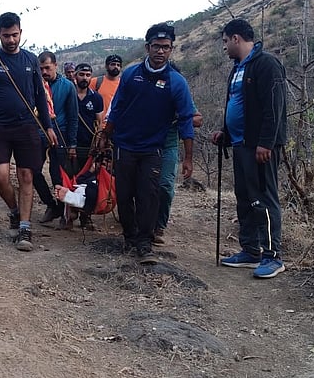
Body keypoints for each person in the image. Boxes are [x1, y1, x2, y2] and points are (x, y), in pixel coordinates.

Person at [102, 23, 196, 264]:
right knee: (124, 195)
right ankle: (129, 237)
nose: (160, 51)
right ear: (147, 47)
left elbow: (186, 119)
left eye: (166, 47)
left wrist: (188, 157)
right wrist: (104, 136)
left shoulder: (177, 82)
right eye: (156, 46)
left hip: (154, 148)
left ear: (171, 49)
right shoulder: (131, 75)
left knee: (149, 194)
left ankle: (145, 244)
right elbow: (117, 107)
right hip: (124, 145)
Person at [0, 12, 57, 252]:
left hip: (27, 127)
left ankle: (25, 228)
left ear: (21, 32)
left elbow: (41, 96)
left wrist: (48, 127)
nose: (11, 40)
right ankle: (14, 211)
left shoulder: (30, 60)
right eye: (6, 35)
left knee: (27, 176)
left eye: (15, 35)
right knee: (0, 176)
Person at [210, 18, 288, 278]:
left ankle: (272, 256)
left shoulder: (266, 64)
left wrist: (266, 142)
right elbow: (237, 103)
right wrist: (226, 132)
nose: (224, 47)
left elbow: (273, 107)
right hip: (240, 144)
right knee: (245, 197)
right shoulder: (236, 69)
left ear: (236, 38)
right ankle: (250, 251)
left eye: (225, 41)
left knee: (263, 198)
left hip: (260, 146)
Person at [34, 51, 78, 224]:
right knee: (33, 170)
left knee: (57, 174)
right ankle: (51, 204)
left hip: (61, 134)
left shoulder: (67, 86)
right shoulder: (35, 85)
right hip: (37, 133)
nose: (44, 72)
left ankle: (64, 210)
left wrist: (72, 143)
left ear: (55, 66)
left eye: (47, 68)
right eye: (41, 68)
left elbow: (73, 116)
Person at [154, 100, 203, 246]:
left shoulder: (177, 91)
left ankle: (159, 226)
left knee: (165, 186)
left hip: (169, 146)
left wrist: (180, 118)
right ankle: (143, 224)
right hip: (145, 143)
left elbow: (198, 119)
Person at [73, 63, 104, 158]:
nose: (85, 78)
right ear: (75, 76)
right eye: (81, 74)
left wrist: (95, 144)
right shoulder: (69, 95)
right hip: (70, 143)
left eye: (88, 75)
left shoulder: (96, 97)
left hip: (89, 144)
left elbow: (99, 123)